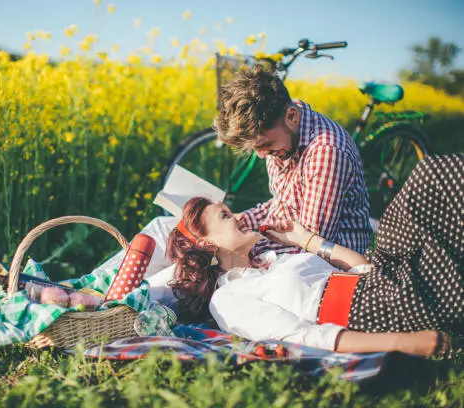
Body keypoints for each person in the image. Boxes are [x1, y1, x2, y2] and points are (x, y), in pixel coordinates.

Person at [167, 155, 463, 358]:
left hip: (380, 275)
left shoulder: (269, 258)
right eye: (227, 216)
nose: (240, 218)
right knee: (447, 255)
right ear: (207, 243)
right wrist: (405, 343)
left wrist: (305, 239)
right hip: (375, 309)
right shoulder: (228, 298)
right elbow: (302, 338)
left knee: (433, 175)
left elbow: (362, 268)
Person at [214, 67, 373, 256]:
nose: (262, 155)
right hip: (296, 243)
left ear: (292, 116)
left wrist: (242, 250)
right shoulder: (283, 133)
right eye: (255, 148)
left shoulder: (325, 152)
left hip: (332, 260)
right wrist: (244, 220)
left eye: (265, 145)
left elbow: (311, 243)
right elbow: (285, 202)